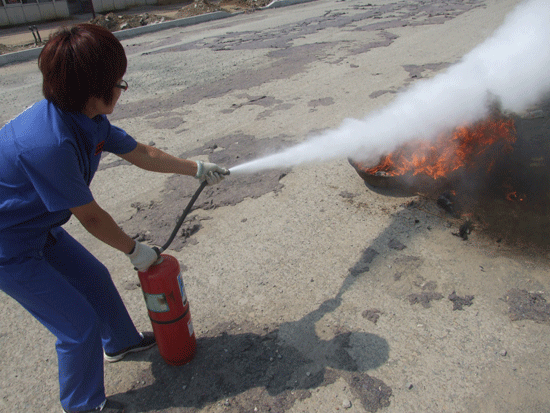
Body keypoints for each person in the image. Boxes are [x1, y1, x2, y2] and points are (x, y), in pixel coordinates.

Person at [0, 23, 228, 413]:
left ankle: (120, 343)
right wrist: (134, 250)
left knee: (95, 279)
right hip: (8, 245)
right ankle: (83, 406)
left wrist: (195, 168)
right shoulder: (47, 143)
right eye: (118, 83)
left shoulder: (86, 117)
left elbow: (140, 152)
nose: (122, 90)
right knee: (77, 328)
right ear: (93, 90)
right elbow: (90, 217)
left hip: (39, 227)